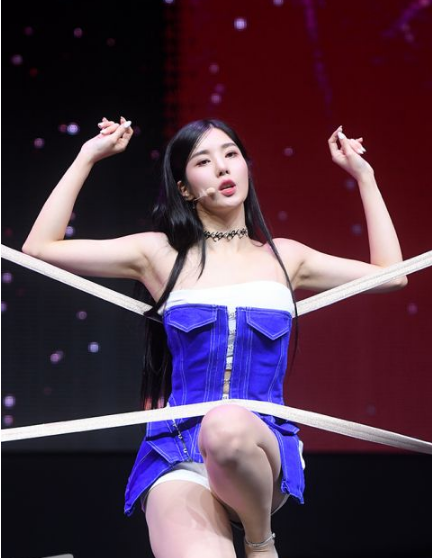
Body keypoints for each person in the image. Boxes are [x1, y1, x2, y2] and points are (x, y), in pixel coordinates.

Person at [22, 116, 407, 558]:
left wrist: (365, 176)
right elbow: (40, 248)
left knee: (224, 426)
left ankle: (260, 542)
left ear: (245, 168)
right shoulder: (157, 253)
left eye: (231, 155)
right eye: (203, 161)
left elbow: (391, 276)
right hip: (178, 453)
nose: (222, 167)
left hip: (257, 450)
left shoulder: (287, 258)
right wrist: (88, 156)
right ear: (185, 188)